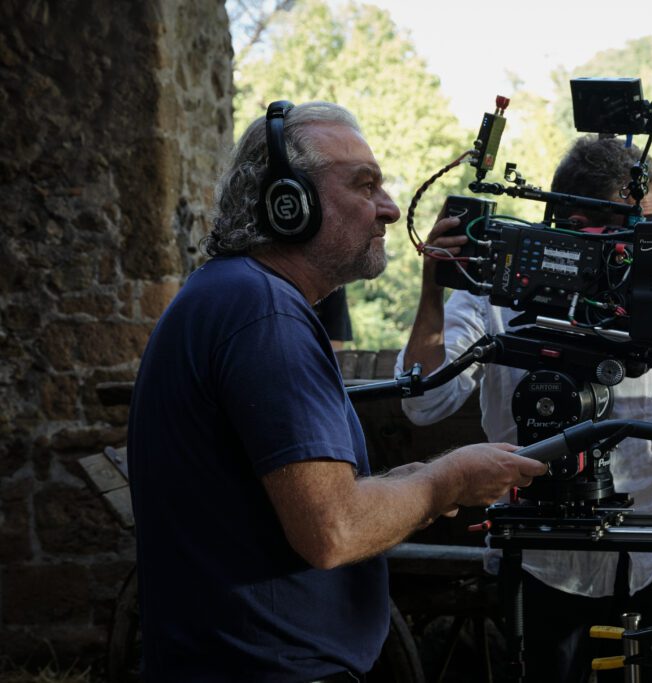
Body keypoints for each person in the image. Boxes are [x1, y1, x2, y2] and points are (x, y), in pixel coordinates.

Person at [127, 101, 549, 683]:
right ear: (289, 204)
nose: (390, 209)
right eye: (365, 185)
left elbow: (308, 499)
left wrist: (419, 479)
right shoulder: (264, 315)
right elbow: (333, 530)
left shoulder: (234, 296)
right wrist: (446, 481)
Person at [398, 136, 652, 682]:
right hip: (539, 560)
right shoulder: (492, 292)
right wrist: (434, 286)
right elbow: (426, 403)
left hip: (646, 553)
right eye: (645, 223)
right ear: (582, 221)